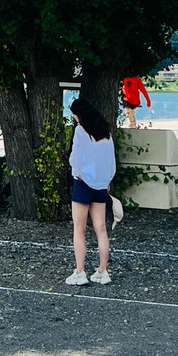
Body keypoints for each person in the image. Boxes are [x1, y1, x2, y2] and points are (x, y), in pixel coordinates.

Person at [66, 97, 115, 286]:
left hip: (84, 183)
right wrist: (107, 179)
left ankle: (80, 272)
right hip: (102, 185)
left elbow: (75, 156)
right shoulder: (105, 132)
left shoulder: (81, 131)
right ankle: (103, 271)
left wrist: (76, 172)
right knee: (101, 228)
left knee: (79, 229)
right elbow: (110, 159)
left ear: (79, 116)